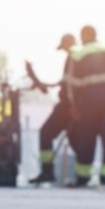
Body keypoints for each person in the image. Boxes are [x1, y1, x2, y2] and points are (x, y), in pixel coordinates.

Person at [67, 25, 105, 188]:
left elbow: (73, 84)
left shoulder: (78, 55)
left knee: (86, 140)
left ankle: (83, 177)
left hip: (88, 105)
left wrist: (74, 106)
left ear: (83, 36)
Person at [28, 33, 79, 185]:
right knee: (76, 140)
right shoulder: (76, 58)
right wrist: (46, 85)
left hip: (67, 106)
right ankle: (81, 175)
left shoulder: (73, 57)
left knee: (46, 133)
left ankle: (48, 171)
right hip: (72, 105)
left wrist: (72, 105)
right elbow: (65, 82)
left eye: (64, 47)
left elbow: (70, 85)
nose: (63, 50)